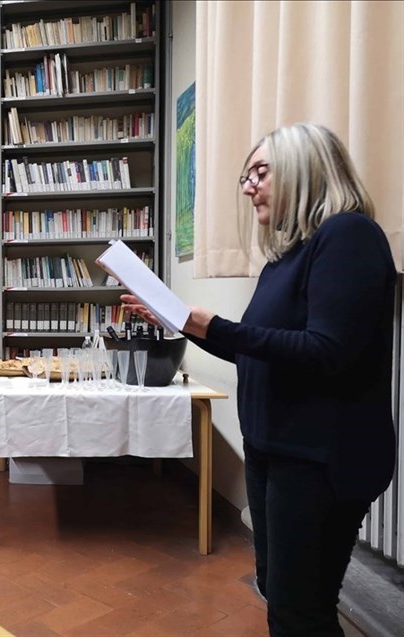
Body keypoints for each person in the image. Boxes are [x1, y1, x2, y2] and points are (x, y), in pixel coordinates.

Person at [121, 123, 396, 637]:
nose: (248, 187)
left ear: (304, 170)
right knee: (279, 591)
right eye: (246, 177)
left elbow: (328, 351)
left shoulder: (348, 235)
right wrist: (183, 323)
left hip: (319, 457)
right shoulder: (284, 258)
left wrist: (212, 324)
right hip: (274, 449)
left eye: (260, 173)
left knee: (301, 611)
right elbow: (252, 349)